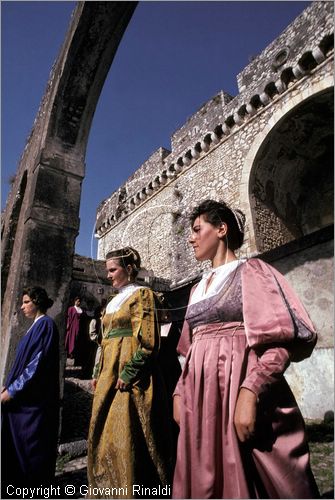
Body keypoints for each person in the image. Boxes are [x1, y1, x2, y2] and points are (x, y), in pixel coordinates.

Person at [172, 199, 320, 499]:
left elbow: (279, 343)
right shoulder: (197, 288)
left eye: (198, 230)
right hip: (200, 400)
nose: (191, 238)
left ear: (222, 229)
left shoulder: (251, 271)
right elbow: (189, 350)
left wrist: (250, 391)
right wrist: (178, 392)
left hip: (238, 386)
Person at [87, 247, 172, 498]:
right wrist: (97, 372)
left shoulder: (142, 295)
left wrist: (129, 373)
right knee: (104, 434)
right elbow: (104, 341)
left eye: (113, 270)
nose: (109, 275)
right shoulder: (113, 301)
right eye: (107, 271)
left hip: (128, 374)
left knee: (128, 433)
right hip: (108, 373)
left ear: (130, 269)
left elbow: (149, 341)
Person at [1, 287, 59, 496]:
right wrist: (8, 384)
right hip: (22, 394)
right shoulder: (34, 327)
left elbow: (37, 364)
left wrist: (14, 391)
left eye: (26, 302)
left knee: (30, 446)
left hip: (33, 401)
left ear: (36, 301)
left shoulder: (46, 325)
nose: (22, 306)